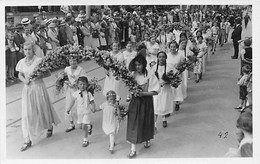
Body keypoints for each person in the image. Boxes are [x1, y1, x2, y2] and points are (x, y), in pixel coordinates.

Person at [16, 42, 60, 152]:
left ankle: (49, 126)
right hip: (28, 90)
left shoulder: (38, 61)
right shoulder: (21, 62)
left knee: (43, 109)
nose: (27, 51)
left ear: (33, 50)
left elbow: (48, 73)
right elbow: (19, 74)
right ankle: (27, 139)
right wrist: (24, 80)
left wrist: (39, 75)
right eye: (25, 49)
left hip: (39, 88)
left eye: (29, 49)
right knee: (27, 114)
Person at [126, 54, 160, 158]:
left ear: (144, 64)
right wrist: (131, 93)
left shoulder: (150, 74)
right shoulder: (132, 75)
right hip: (135, 102)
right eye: (136, 65)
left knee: (146, 121)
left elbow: (156, 91)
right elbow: (130, 89)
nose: (137, 67)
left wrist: (143, 94)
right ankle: (133, 149)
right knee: (134, 122)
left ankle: (147, 139)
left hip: (146, 102)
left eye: (139, 65)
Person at [66, 76, 95, 147]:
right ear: (78, 85)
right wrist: (68, 108)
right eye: (81, 84)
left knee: (84, 125)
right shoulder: (76, 93)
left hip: (86, 112)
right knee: (80, 127)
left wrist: (93, 108)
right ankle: (89, 126)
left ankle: (85, 139)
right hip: (79, 113)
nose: (82, 86)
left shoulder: (88, 94)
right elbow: (72, 101)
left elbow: (92, 101)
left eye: (84, 84)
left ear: (87, 85)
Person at [63, 56, 85, 132]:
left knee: (79, 106)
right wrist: (68, 84)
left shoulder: (80, 69)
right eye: (71, 61)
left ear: (77, 61)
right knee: (69, 105)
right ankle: (71, 123)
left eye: (74, 61)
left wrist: (77, 84)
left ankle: (82, 121)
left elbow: (83, 79)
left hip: (78, 90)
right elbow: (63, 78)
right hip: (70, 90)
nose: (72, 62)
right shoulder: (67, 69)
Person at [153, 51, 174, 130]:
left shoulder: (169, 67)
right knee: (156, 105)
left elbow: (173, 78)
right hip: (156, 89)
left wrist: (166, 82)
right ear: (157, 58)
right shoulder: (154, 67)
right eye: (160, 57)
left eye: (163, 57)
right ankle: (154, 123)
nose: (161, 58)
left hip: (165, 89)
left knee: (164, 103)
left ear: (166, 58)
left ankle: (164, 119)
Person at [167, 41, 185, 111]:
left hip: (177, 74)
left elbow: (184, 65)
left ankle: (177, 102)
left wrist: (180, 69)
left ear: (176, 47)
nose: (172, 48)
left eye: (174, 47)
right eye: (171, 47)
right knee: (169, 90)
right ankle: (168, 106)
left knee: (177, 89)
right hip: (169, 74)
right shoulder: (167, 55)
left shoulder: (180, 55)